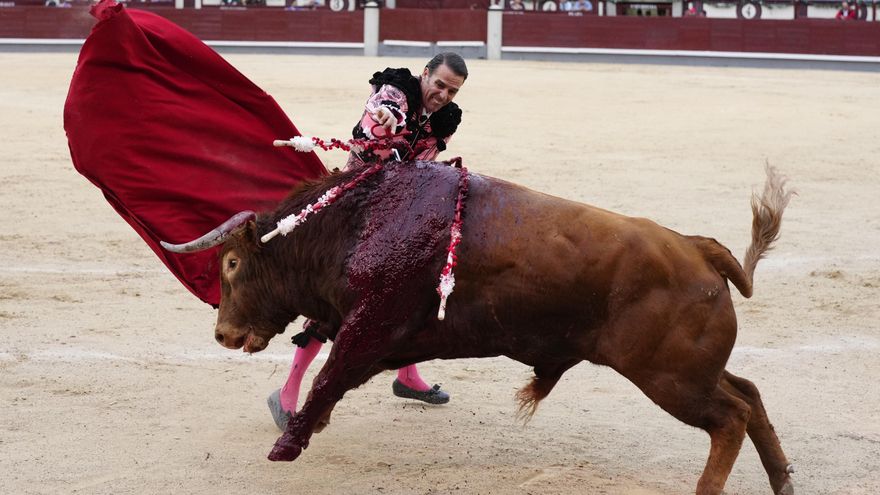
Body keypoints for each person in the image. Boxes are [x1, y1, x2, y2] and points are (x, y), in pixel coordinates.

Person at [267, 53, 469, 431]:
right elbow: (377, 122)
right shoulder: (395, 91)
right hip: (352, 209)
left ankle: (407, 377)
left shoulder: (445, 119)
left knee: (412, 287)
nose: (443, 95)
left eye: (452, 91)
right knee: (333, 303)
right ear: (425, 74)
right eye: (439, 84)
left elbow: (424, 164)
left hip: (393, 213)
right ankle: (287, 392)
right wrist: (388, 120)